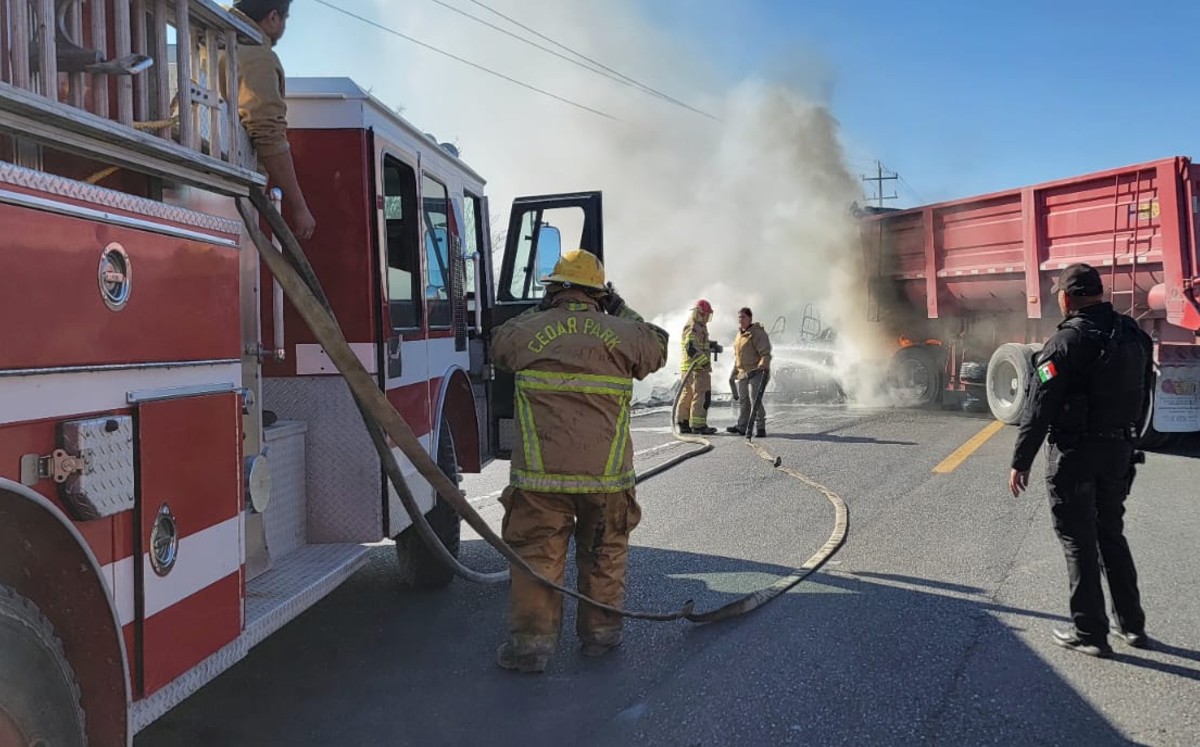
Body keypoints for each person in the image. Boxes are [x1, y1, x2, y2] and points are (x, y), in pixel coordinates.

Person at [490, 249, 669, 673]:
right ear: (599, 293)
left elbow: (499, 345)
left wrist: (542, 311)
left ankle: (531, 650)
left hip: (540, 481)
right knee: (604, 553)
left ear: (553, 288)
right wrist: (618, 306)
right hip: (606, 481)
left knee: (537, 558)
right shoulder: (623, 333)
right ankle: (601, 639)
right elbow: (658, 345)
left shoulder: (527, 330)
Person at [1008, 263, 1153, 658]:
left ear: (1067, 297)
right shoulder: (1135, 336)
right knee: (1111, 533)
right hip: (1119, 451)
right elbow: (1144, 396)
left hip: (1075, 455)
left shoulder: (1064, 343)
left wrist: (1021, 461)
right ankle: (1133, 626)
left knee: (1078, 540)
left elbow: (1039, 407)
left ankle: (1089, 632)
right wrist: (1127, 439)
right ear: (1100, 293)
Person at [226, 0, 316, 239]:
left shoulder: (213, 39)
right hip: (233, 194)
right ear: (273, 17)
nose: (284, 25)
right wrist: (299, 207)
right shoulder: (258, 57)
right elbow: (268, 136)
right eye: (285, 19)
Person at [727, 307, 772, 437]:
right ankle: (742, 427)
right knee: (744, 400)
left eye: (743, 317)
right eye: (739, 317)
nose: (741, 320)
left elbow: (765, 353)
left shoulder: (757, 333)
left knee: (755, 399)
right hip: (743, 373)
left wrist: (763, 363)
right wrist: (734, 372)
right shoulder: (739, 335)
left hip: (756, 372)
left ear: (750, 318)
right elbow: (738, 356)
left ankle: (760, 427)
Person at [676, 299, 717, 435]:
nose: (707, 319)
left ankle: (683, 423)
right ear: (700, 313)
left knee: (687, 394)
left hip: (688, 369)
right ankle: (698, 425)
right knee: (701, 396)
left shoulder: (695, 326)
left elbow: (697, 343)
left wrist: (711, 345)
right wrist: (704, 362)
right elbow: (691, 348)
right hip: (698, 369)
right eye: (706, 315)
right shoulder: (694, 327)